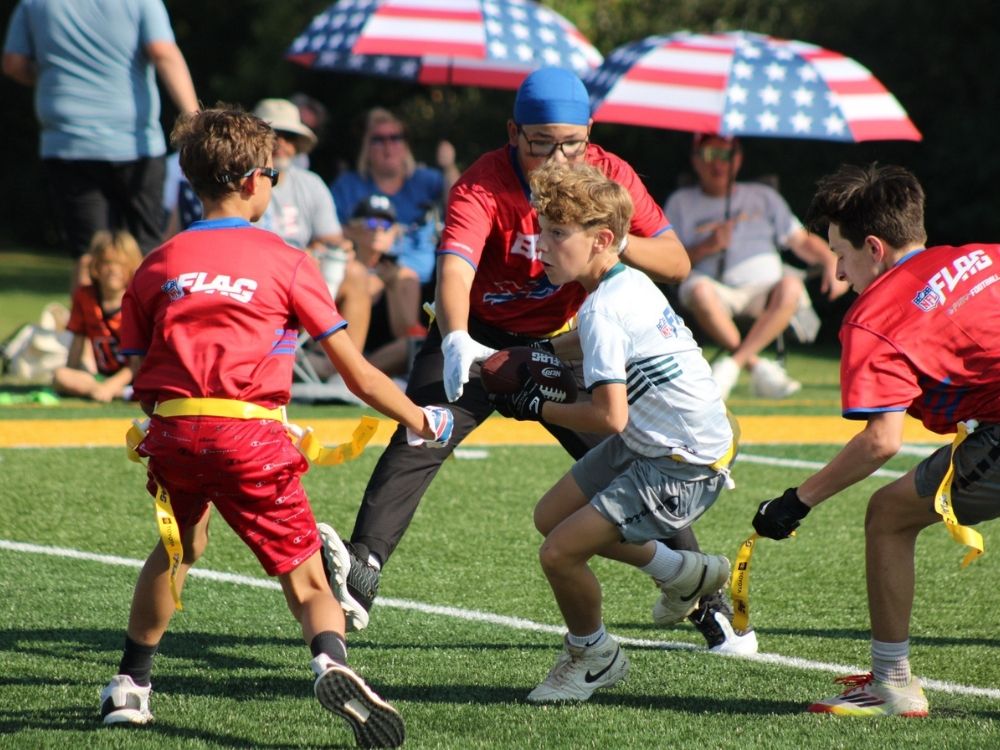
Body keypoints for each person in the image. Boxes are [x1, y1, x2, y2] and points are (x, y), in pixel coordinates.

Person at [323, 67, 757, 655]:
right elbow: (455, 267)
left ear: (590, 134)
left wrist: (610, 234)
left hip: (566, 340)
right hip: (480, 335)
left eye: (571, 143)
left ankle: (702, 599)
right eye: (541, 143)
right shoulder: (483, 183)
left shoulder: (608, 179)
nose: (558, 157)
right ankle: (362, 571)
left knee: (636, 458)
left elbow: (677, 261)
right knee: (419, 431)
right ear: (512, 133)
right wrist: (455, 339)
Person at [102, 103, 454, 747]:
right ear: (251, 181)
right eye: (273, 173)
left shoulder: (157, 263)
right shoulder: (288, 261)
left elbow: (134, 365)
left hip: (175, 434)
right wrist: (421, 416)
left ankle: (130, 685)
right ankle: (331, 662)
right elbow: (356, 373)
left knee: (180, 547)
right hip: (251, 437)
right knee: (308, 577)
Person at [750, 163, 1000, 717]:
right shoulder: (983, 254)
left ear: (874, 247)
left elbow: (881, 441)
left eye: (840, 254)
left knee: (887, 514)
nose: (838, 273)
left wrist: (796, 501)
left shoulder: (874, 317)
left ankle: (892, 683)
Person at [492, 161, 737, 702]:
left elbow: (608, 418)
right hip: (667, 440)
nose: (542, 245)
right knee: (549, 517)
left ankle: (593, 655)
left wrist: (535, 406)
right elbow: (582, 344)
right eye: (542, 231)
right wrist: (525, 355)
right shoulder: (625, 284)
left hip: (682, 463)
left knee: (559, 554)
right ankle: (682, 572)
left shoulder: (603, 308)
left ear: (603, 239)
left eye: (556, 234)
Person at [2, 0, 198, 290]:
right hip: (136, 144)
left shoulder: (35, 4)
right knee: (146, 250)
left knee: (87, 255)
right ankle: (150, 329)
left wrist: (50, 77)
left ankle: (88, 333)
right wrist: (195, 120)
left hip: (69, 144)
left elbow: (13, 63)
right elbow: (163, 52)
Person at [665, 134, 848, 399]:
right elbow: (669, 260)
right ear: (695, 160)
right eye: (709, 155)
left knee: (791, 286)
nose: (718, 164)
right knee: (700, 290)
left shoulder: (764, 196)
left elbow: (799, 240)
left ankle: (732, 364)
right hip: (712, 291)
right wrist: (708, 246)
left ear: (738, 159)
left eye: (726, 155)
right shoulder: (680, 202)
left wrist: (830, 259)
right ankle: (755, 365)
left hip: (764, 292)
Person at [330, 108, 460, 376]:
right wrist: (367, 236)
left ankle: (355, 373)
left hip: (422, 283)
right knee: (374, 281)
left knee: (405, 280)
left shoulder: (427, 180)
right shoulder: (349, 185)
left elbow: (459, 207)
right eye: (379, 139)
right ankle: (348, 368)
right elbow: (331, 231)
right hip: (368, 270)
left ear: (406, 145)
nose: (388, 146)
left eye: (395, 138)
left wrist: (448, 165)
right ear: (367, 145)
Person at [252, 98, 372, 354]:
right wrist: (296, 259)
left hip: (306, 276)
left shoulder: (310, 183)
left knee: (356, 274)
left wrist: (337, 249)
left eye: (289, 137)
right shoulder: (244, 181)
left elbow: (332, 239)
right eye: (272, 135)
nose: (280, 144)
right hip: (256, 277)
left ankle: (342, 373)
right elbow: (240, 244)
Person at [52, 229, 141, 402]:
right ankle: (109, 392)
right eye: (107, 262)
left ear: (131, 266)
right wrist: (72, 374)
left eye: (120, 264)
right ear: (96, 265)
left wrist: (111, 386)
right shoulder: (85, 297)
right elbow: (77, 344)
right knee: (60, 375)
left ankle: (116, 392)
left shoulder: (136, 301)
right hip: (101, 376)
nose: (113, 270)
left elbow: (137, 363)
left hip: (135, 375)